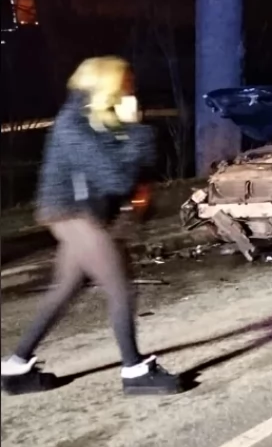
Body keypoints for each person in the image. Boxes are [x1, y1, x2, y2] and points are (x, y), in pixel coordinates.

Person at [1, 57, 181, 396]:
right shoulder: (74, 125)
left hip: (82, 215)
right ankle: (134, 371)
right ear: (108, 85)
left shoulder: (97, 120)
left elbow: (126, 175)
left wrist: (129, 133)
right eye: (127, 82)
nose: (132, 88)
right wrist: (137, 132)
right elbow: (115, 178)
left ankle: (15, 367)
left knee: (64, 289)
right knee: (121, 287)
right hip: (71, 215)